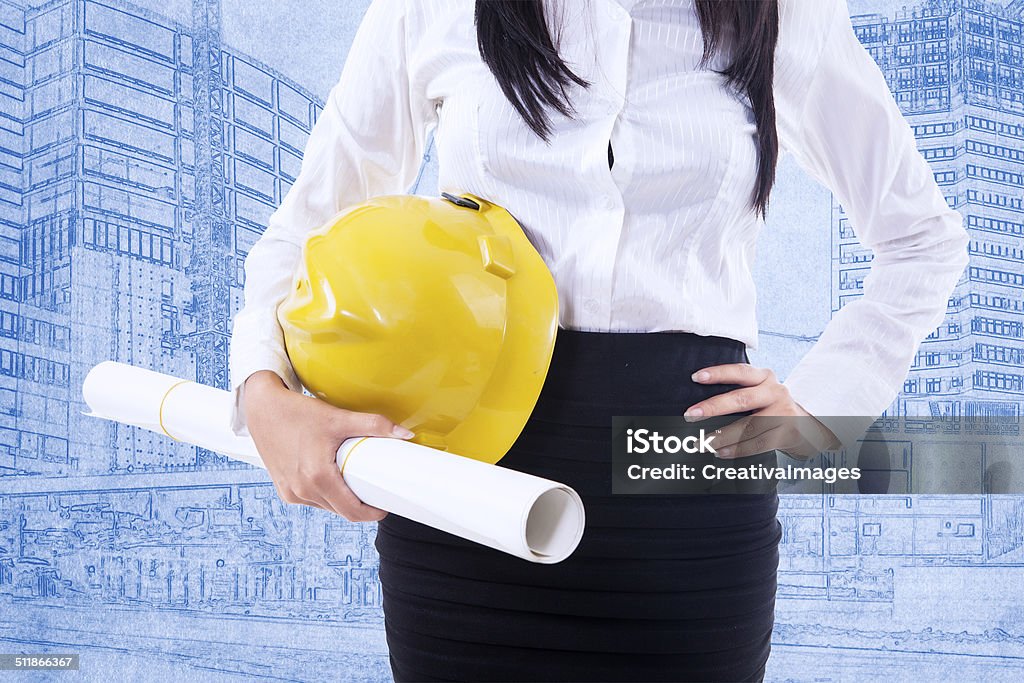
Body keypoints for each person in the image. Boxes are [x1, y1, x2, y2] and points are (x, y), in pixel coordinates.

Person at [227, 0, 970, 680]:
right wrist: (262, 389)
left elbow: (921, 240)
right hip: (466, 480)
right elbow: (311, 220)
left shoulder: (783, 13)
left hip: (686, 483)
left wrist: (812, 411)